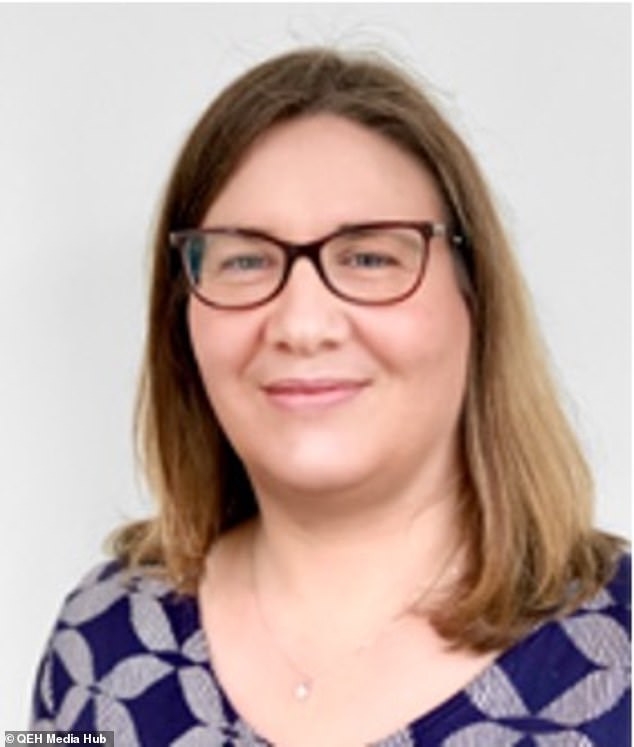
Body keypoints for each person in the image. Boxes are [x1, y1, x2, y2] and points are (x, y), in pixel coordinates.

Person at [31, 47, 629, 746]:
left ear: (476, 298)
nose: (302, 324)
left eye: (369, 257)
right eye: (245, 260)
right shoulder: (100, 642)